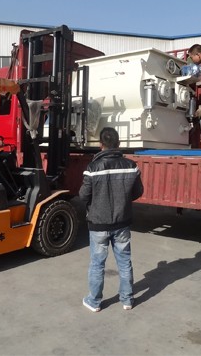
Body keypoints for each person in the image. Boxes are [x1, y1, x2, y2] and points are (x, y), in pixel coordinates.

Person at [79, 127, 144, 312]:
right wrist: (123, 200)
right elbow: (138, 192)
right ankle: (127, 300)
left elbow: (83, 195)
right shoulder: (131, 166)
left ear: (101, 145)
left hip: (98, 224)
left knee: (97, 263)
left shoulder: (92, 168)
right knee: (124, 261)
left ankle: (94, 301)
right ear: (119, 144)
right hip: (122, 222)